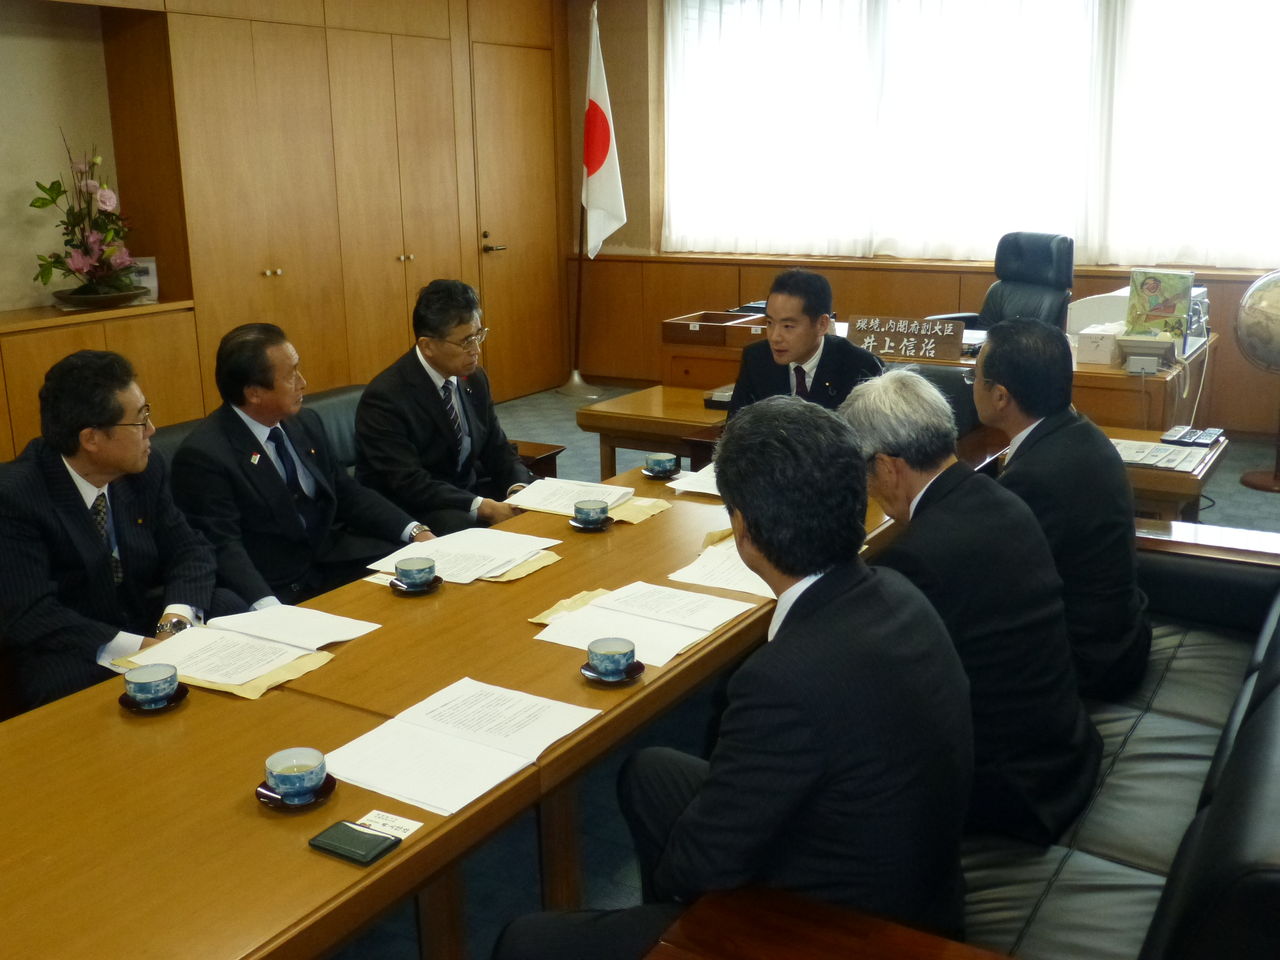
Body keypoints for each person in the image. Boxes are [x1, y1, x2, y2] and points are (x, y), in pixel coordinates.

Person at [492, 397, 973, 960]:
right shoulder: (898, 594)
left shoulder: (782, 681)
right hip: (912, 870)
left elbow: (704, 862)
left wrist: (683, 876)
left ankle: (685, 936)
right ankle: (674, 927)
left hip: (850, 926)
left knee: (526, 940)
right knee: (651, 773)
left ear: (742, 528)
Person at [842, 368, 1101, 845]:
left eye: (864, 472)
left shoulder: (916, 559)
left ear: (887, 466)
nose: (868, 487)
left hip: (1011, 791)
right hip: (1065, 751)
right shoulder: (1001, 498)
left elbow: (897, 702)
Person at [0, 350, 242, 710]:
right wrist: (141, 648)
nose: (152, 430)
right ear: (92, 439)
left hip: (143, 619)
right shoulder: (16, 496)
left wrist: (173, 622)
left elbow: (190, 549)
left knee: (228, 606)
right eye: (140, 420)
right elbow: (31, 613)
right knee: (67, 681)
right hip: (72, 642)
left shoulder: (143, 470)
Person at [171, 324, 433, 607]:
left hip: (332, 560)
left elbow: (347, 492)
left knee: (422, 577)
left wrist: (416, 532)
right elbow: (224, 547)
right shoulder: (205, 455)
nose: (303, 382)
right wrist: (269, 609)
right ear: (254, 392)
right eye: (291, 375)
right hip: (276, 586)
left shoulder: (305, 422)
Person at [972, 320, 1152, 700]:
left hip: (1091, 661)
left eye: (974, 377)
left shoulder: (1036, 477)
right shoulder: (1078, 432)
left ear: (1001, 396)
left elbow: (1002, 587)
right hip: (1121, 637)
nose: (970, 385)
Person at [355, 279, 532, 535]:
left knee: (539, 503)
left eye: (478, 335)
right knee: (461, 528)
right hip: (415, 505)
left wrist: (517, 490)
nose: (476, 350)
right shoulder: (386, 397)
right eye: (466, 342)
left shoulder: (474, 378)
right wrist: (483, 506)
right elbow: (408, 482)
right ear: (427, 346)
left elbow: (497, 447)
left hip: (467, 490)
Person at [727, 268, 882, 416]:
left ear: (822, 324)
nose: (774, 337)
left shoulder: (861, 368)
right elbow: (735, 427)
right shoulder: (756, 359)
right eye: (770, 323)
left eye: (788, 326)